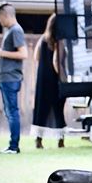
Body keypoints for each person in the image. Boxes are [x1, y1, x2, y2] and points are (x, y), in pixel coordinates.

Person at [31, 14, 67, 149]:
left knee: (41, 109)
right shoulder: (59, 40)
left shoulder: (43, 39)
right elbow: (56, 61)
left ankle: (38, 140)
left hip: (42, 78)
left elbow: (36, 57)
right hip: (54, 78)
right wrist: (63, 79)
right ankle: (60, 141)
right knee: (58, 109)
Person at [0, 3, 27, 154]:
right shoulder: (11, 31)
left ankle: (14, 146)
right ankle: (12, 145)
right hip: (6, 78)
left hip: (11, 78)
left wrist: (1, 53)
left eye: (0, 17)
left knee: (12, 112)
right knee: (10, 112)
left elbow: (23, 54)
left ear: (6, 15)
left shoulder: (16, 30)